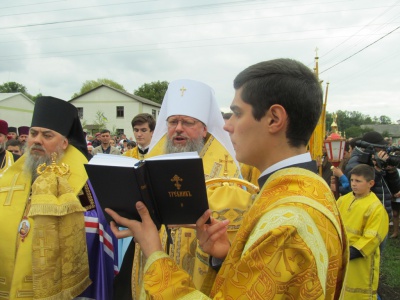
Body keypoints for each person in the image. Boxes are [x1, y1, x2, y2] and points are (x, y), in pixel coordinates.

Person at [107, 59, 348, 299]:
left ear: (274, 119)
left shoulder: (287, 225)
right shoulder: (310, 189)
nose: (226, 126)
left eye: (236, 113)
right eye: (173, 122)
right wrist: (226, 256)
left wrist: (155, 253)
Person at [116, 79, 254, 299]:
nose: (178, 128)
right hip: (153, 258)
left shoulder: (225, 166)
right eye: (172, 122)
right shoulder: (153, 158)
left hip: (199, 268)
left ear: (204, 128)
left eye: (187, 122)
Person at [0, 97, 117, 300]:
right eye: (34, 133)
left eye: (47, 135)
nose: (37, 140)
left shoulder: (83, 180)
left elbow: (94, 227)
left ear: (64, 142)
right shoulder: (12, 175)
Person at [337, 164, 389, 299]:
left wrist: (349, 252)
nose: (353, 184)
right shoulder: (343, 199)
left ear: (370, 183)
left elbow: (372, 238)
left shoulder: (375, 208)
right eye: (352, 180)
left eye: (358, 181)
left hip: (360, 261)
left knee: (358, 294)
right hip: (340, 255)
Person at [344, 131, 400, 224]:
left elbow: (395, 189)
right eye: (379, 149)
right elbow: (355, 189)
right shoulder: (356, 162)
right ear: (370, 148)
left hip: (382, 215)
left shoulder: (379, 160)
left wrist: (391, 171)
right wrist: (377, 170)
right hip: (365, 217)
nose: (382, 152)